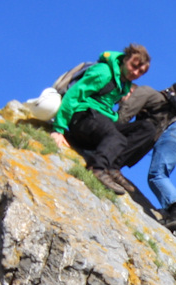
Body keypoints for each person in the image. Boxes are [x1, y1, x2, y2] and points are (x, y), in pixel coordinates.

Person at [48, 43, 157, 195]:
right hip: (82, 118)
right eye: (134, 65)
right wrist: (58, 129)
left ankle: (112, 167)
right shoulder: (104, 72)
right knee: (116, 136)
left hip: (98, 121)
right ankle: (97, 168)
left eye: (141, 71)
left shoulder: (124, 85)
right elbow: (73, 95)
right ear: (125, 59)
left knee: (147, 129)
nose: (136, 72)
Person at [116, 84, 176, 242]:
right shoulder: (164, 104)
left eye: (123, 98)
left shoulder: (147, 96)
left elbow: (122, 120)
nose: (122, 101)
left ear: (131, 91)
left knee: (157, 175)